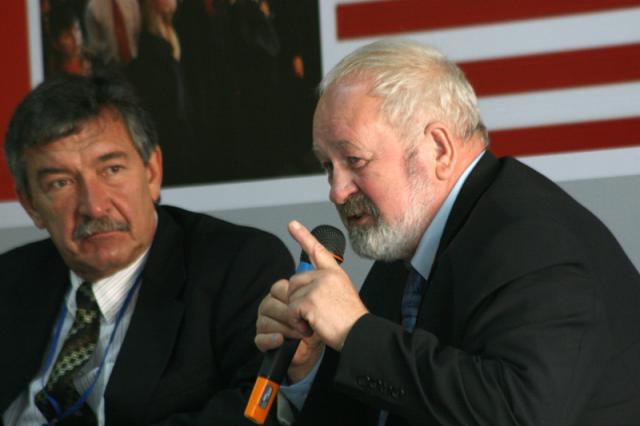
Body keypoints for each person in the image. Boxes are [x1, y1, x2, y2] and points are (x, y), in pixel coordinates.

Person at [255, 39, 640, 425]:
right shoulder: (407, 248)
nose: (337, 191)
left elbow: (518, 414)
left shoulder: (534, 240)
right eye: (327, 166)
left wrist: (355, 332)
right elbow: (389, 408)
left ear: (438, 149)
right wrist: (307, 367)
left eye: (355, 160)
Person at [0, 73, 294, 425]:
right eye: (60, 183)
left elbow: (257, 411)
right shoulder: (9, 279)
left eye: (111, 169)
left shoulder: (239, 265)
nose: (94, 206)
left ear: (152, 172)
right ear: (31, 205)